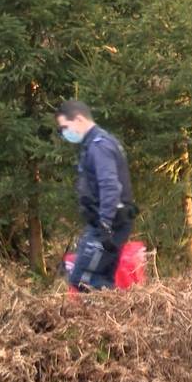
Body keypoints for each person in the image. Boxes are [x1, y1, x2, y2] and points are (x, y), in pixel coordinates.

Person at [55, 100, 136, 291]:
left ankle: (121, 314)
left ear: (79, 119)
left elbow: (110, 186)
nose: (64, 133)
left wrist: (105, 224)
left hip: (109, 223)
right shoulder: (96, 143)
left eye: (65, 127)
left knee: (84, 279)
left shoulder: (99, 146)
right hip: (105, 223)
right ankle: (113, 316)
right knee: (98, 278)